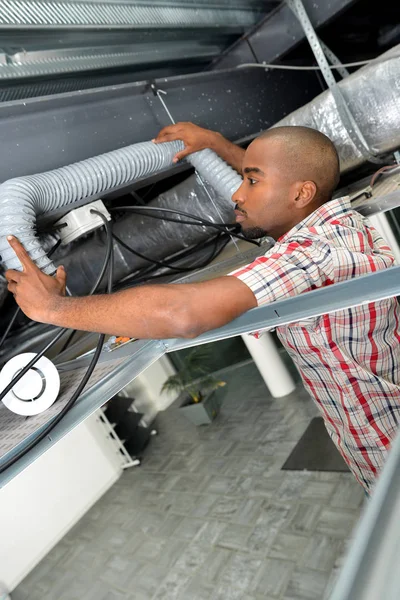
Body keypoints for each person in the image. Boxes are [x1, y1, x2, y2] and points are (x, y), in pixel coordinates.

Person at [5, 123, 400, 494]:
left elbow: (183, 314)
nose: (237, 194)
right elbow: (290, 173)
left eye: (251, 180)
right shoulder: (341, 223)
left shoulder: (310, 256)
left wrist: (54, 308)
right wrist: (215, 144)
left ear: (300, 194)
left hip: (384, 446)